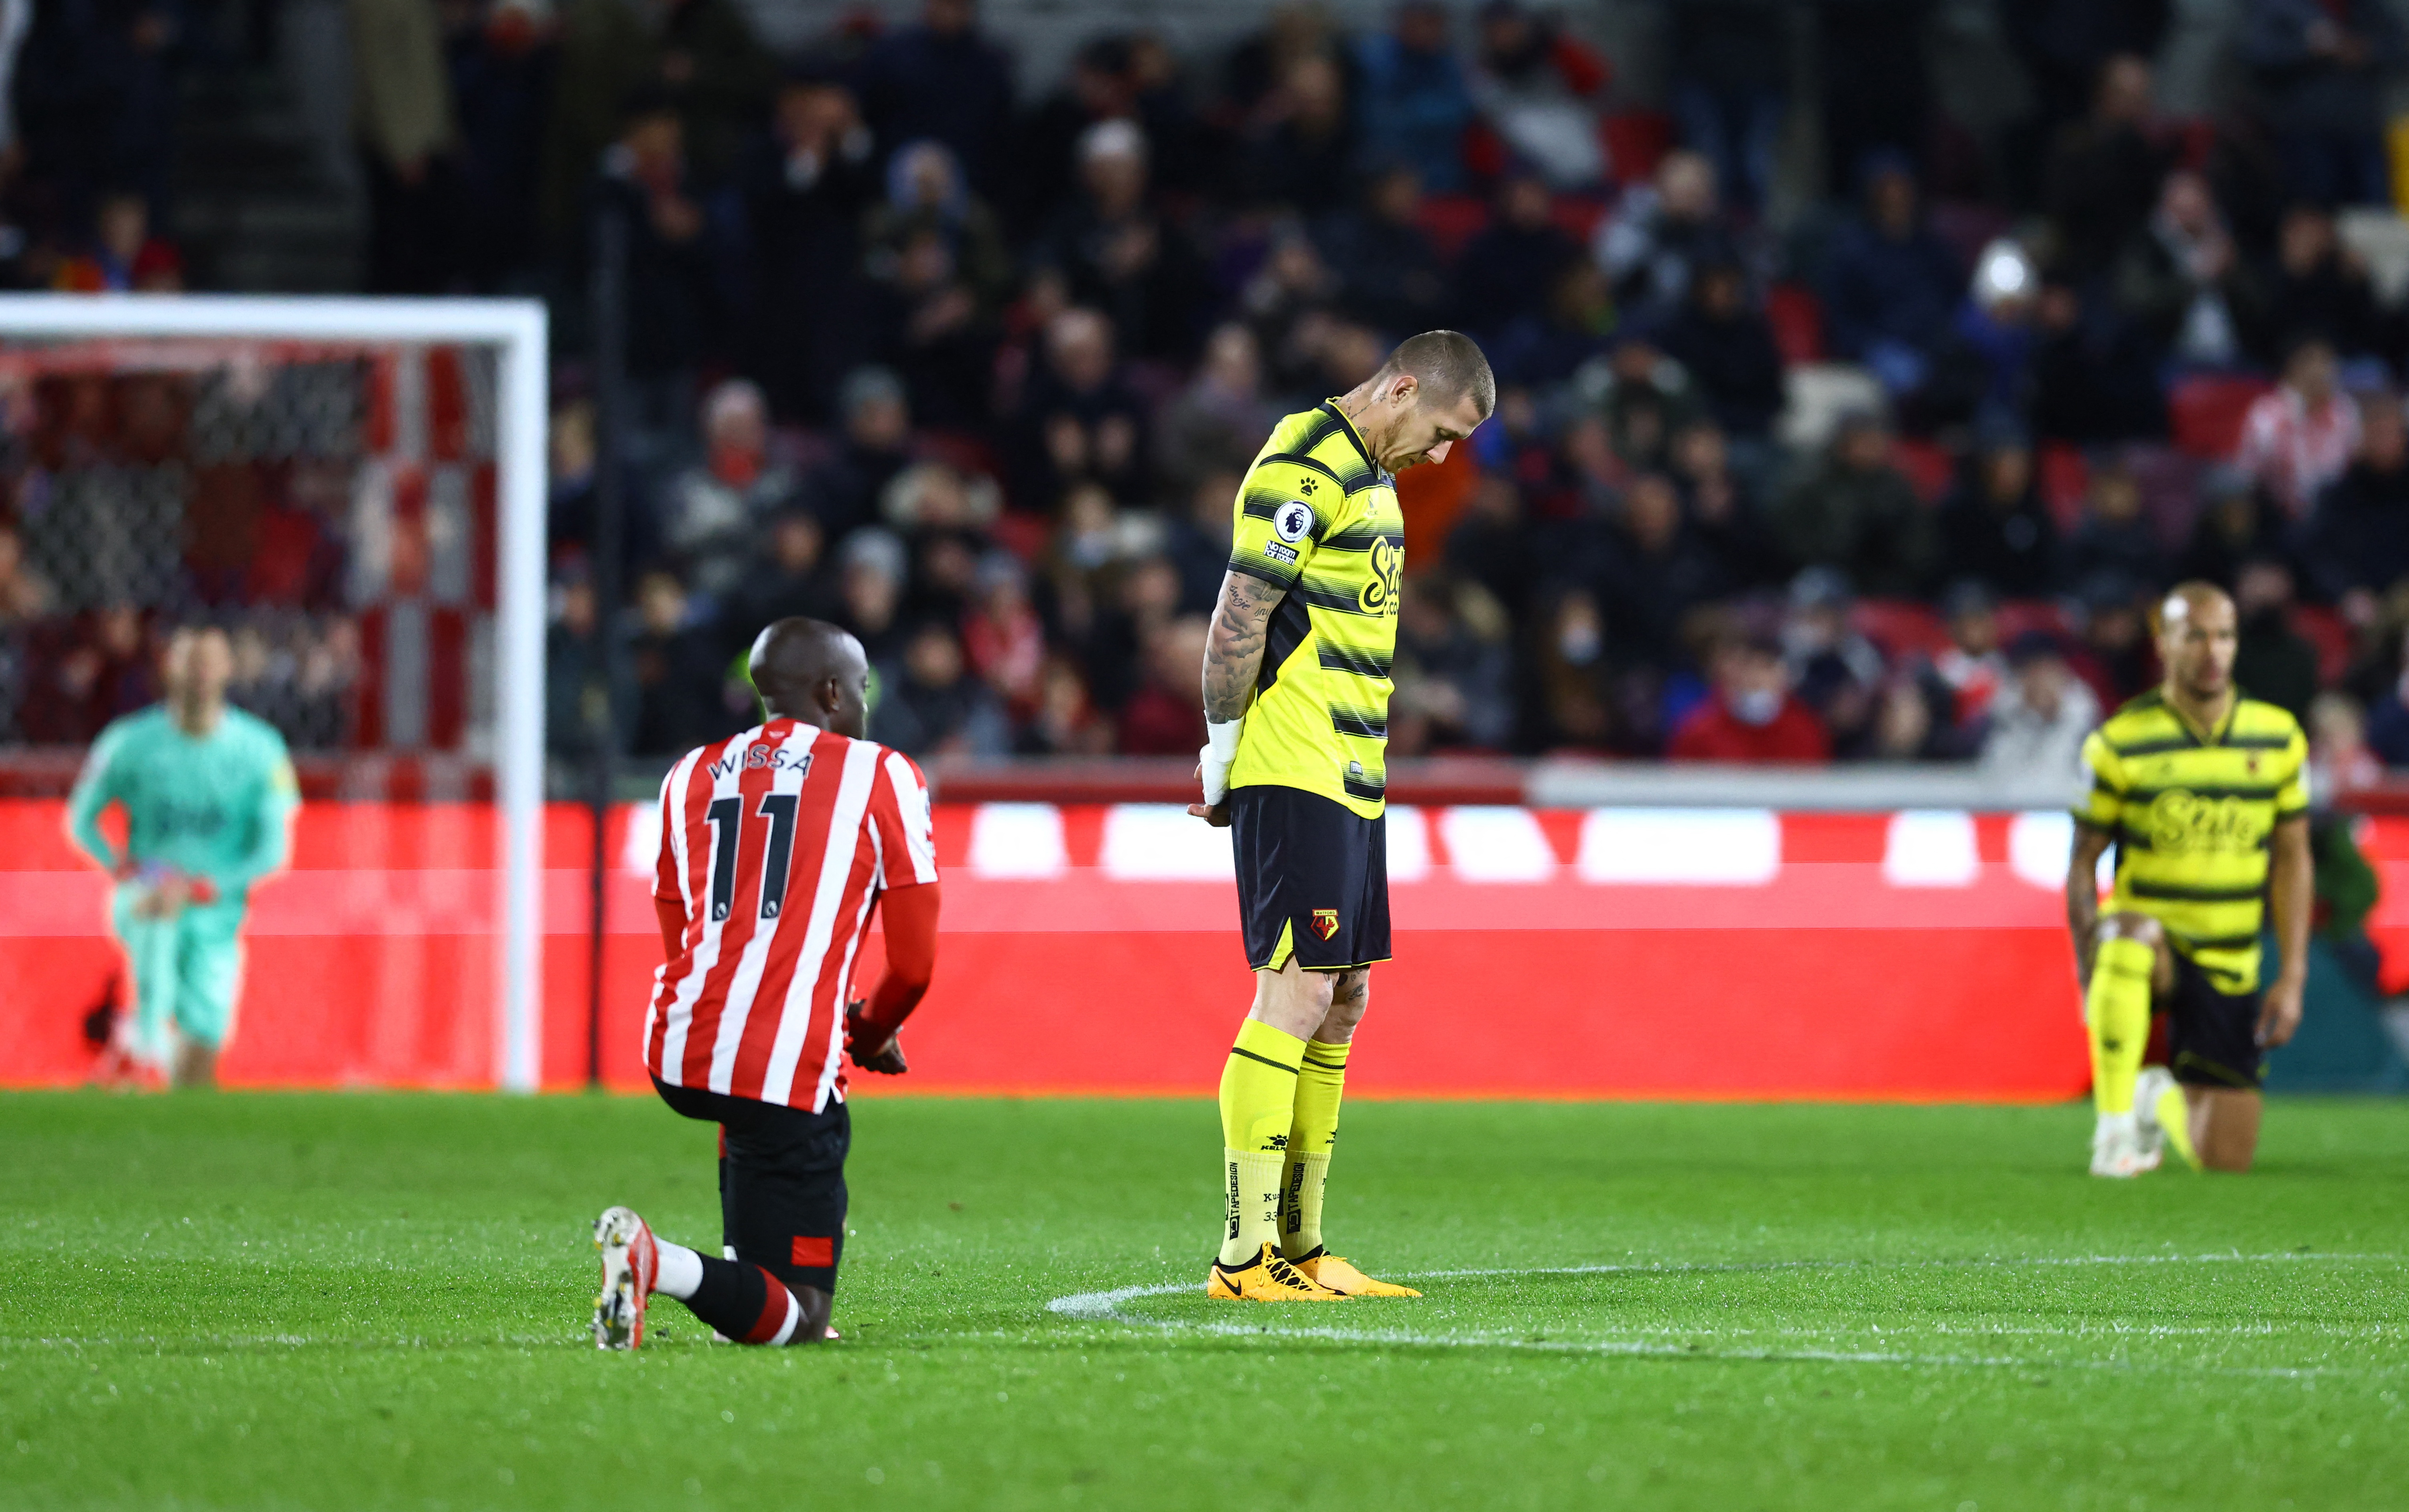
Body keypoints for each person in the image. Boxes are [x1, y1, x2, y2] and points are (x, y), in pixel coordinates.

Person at [1190, 330, 1494, 1301]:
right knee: (1295, 991)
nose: (1438, 457)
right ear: (1401, 389)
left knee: (1344, 995)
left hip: (1354, 772)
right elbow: (1239, 615)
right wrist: (1220, 752)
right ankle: (1241, 1257)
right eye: (1440, 433)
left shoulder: (1377, 481)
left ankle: (1302, 1244)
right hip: (1295, 762)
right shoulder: (1304, 463)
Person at [592, 617, 940, 1350]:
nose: (866, 703)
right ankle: (657, 1261)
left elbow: (679, 923)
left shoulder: (688, 774)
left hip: (679, 1046)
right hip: (779, 1064)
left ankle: (740, 1287)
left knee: (751, 1117)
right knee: (804, 1319)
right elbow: (912, 967)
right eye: (862, 688)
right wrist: (867, 1033)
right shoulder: (881, 773)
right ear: (832, 692)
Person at [2067, 583, 2312, 1178]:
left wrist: (2292, 976)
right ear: (2163, 644)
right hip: (2154, 946)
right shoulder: (2119, 742)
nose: (2212, 651)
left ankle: (2156, 1099)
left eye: (2224, 636)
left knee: (2223, 1161)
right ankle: (2114, 1130)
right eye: (2194, 636)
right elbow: (2081, 862)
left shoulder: (2278, 737)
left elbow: (2293, 858)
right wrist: (2085, 965)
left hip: (2230, 959)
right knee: (2127, 933)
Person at [65, 625, 299, 1089]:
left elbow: (274, 851)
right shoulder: (129, 742)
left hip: (216, 911)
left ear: (227, 669)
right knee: (158, 907)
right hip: (148, 890)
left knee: (198, 1061)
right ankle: (144, 1040)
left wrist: (209, 885)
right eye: (190, 662)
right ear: (169, 669)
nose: (199, 674)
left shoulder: (261, 750)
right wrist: (119, 865)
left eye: (208, 662)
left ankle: (146, 1056)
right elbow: (81, 819)